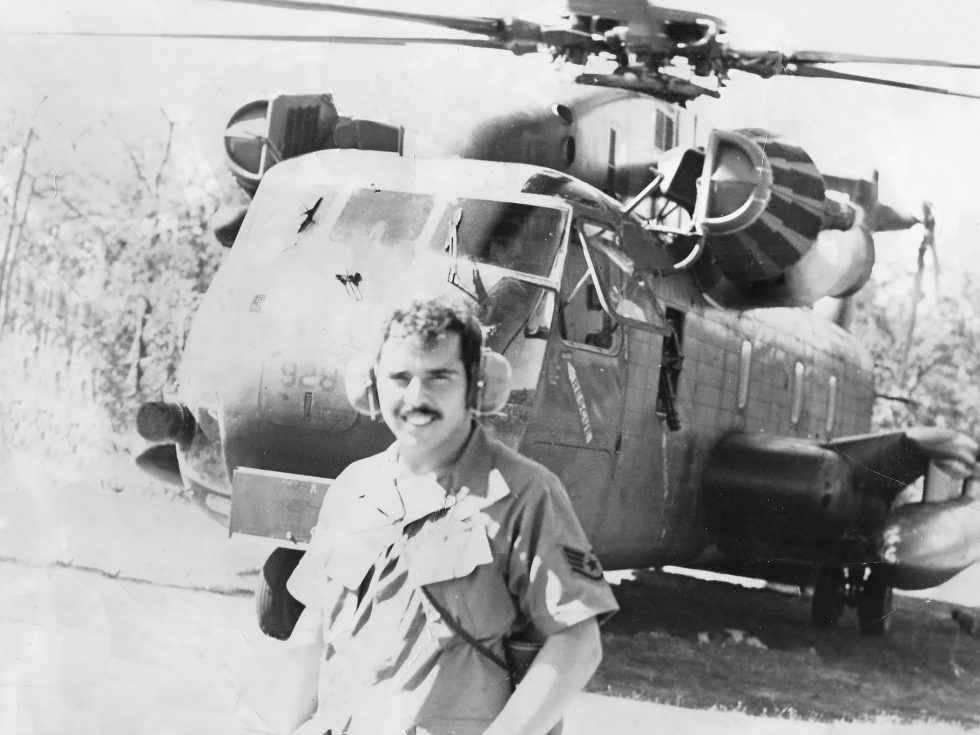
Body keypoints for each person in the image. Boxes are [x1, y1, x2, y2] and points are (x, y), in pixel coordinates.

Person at [286, 299, 618, 735]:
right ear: (371, 384)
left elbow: (578, 644)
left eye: (439, 377)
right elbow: (314, 628)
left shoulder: (525, 494)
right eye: (399, 378)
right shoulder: (355, 487)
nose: (415, 398)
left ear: (477, 386)